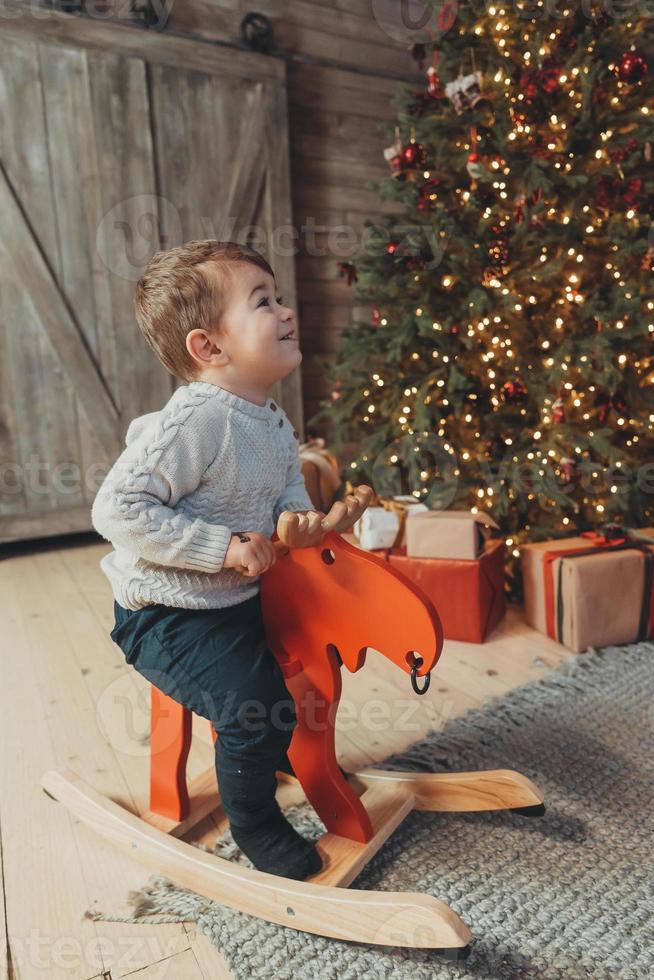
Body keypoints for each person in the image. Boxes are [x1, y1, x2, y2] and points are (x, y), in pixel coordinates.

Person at [92, 239, 330, 880]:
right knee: (257, 705)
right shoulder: (196, 419)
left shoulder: (271, 419)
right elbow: (116, 509)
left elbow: (285, 489)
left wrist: (297, 520)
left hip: (238, 597)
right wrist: (218, 547)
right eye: (263, 302)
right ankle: (254, 822)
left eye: (277, 298)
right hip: (167, 614)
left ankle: (274, 753)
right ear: (210, 347)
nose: (284, 312)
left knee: (309, 661)